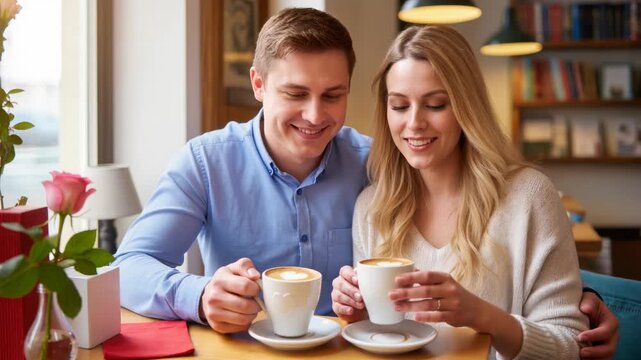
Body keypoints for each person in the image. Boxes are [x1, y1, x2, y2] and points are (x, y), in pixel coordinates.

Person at [114, 8, 618, 357]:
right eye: (296, 93)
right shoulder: (207, 163)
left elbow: (496, 244)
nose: (316, 116)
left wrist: (590, 299)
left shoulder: (381, 164)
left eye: (333, 95)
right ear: (258, 85)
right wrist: (200, 296)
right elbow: (130, 266)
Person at [330, 25, 606, 359]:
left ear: (466, 107)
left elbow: (571, 345)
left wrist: (483, 317)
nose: (414, 123)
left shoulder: (529, 196)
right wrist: (358, 316)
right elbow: (386, 339)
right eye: (400, 106)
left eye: (435, 105)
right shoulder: (372, 208)